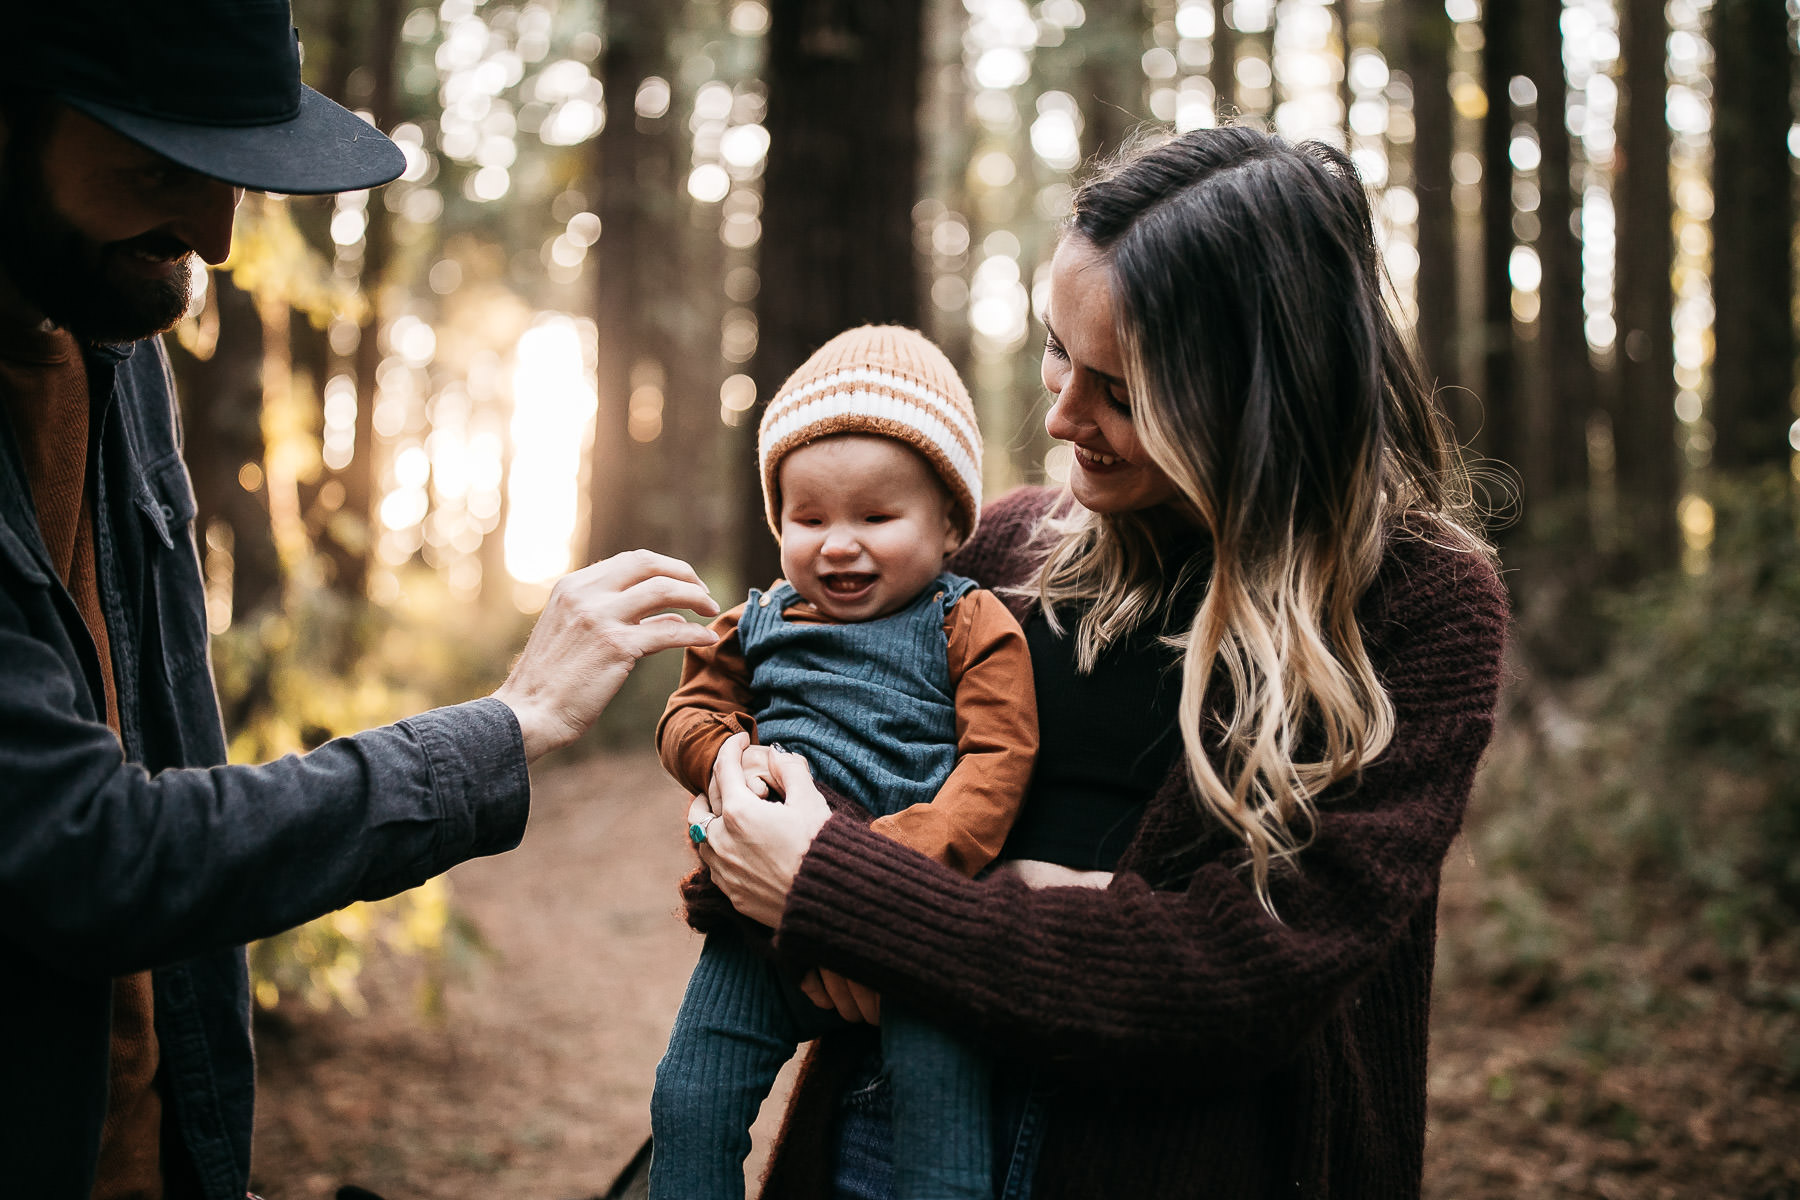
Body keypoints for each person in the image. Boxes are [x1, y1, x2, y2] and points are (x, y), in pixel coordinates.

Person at [687, 125, 1511, 1199]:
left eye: (1122, 391)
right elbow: (777, 834)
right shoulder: (997, 555)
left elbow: (1244, 979)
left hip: (1184, 1165)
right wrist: (755, 819)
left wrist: (855, 894)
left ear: (1259, 396)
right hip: (883, 1133)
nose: (1063, 414)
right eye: (1057, 351)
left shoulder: (1415, 604)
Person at [0, 2, 718, 1195]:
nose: (217, 237)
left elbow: (165, 761)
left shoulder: (110, 344)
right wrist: (505, 728)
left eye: (231, 173)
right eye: (160, 166)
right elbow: (87, 854)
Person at [652, 325, 1038, 1200]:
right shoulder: (756, 621)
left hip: (911, 921)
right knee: (690, 1098)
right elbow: (690, 713)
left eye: (876, 516)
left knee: (938, 1130)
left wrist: (883, 871)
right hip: (761, 930)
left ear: (949, 525)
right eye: (809, 517)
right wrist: (727, 761)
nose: (837, 544)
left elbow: (996, 762)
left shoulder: (968, 624)